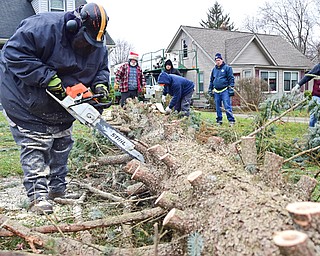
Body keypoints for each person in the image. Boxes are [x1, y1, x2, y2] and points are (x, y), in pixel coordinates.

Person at [0, 3, 110, 214]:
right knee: (35, 144)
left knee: (62, 143)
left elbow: (101, 68)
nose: (87, 46)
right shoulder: (43, 27)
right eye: (84, 41)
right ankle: (37, 196)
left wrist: (100, 85)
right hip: (23, 98)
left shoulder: (97, 44)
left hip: (61, 103)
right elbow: (13, 53)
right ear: (73, 26)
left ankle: (57, 190)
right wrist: (47, 77)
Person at [208, 53, 235, 126]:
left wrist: (231, 89)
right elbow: (211, 80)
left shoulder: (227, 68)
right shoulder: (214, 70)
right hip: (216, 91)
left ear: (222, 60)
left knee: (227, 106)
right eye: (216, 60)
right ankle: (219, 120)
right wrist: (210, 89)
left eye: (219, 60)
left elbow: (231, 79)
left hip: (225, 90)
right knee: (217, 107)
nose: (217, 62)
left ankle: (231, 121)